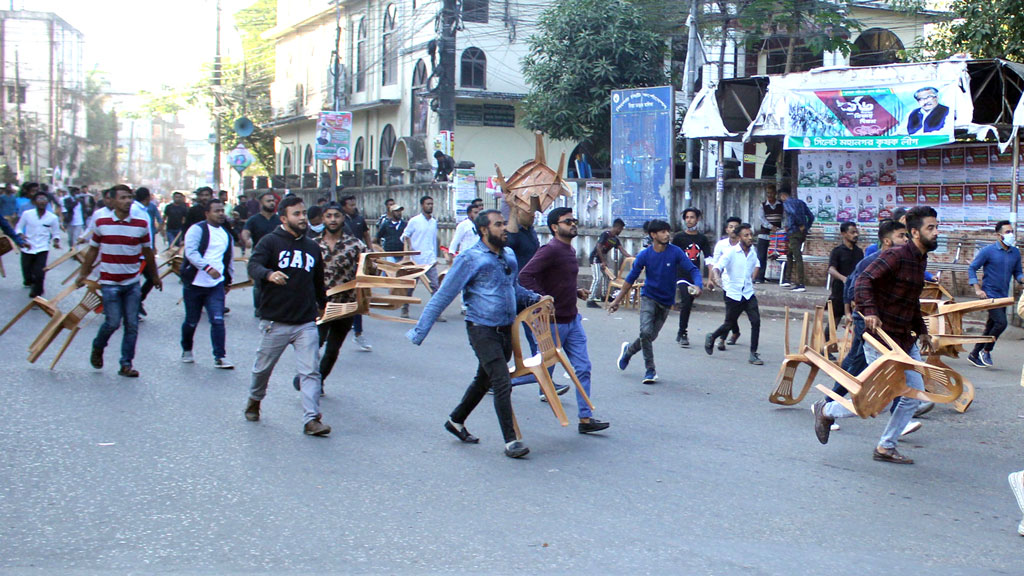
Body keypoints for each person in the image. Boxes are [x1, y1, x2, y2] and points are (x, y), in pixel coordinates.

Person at [407, 209, 541, 458]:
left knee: (484, 379)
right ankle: (512, 441)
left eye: (503, 224)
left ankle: (456, 420)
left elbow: (515, 289)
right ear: (483, 230)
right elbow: (444, 295)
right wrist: (419, 331)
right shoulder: (470, 259)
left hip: (505, 330)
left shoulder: (508, 255)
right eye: (498, 224)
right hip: (481, 329)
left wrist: (535, 298)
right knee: (502, 380)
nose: (504, 229)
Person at [812, 206, 939, 464]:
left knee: (912, 394)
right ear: (915, 232)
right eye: (931, 228)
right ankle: (826, 410)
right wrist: (868, 311)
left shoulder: (920, 259)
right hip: (880, 336)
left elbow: (911, 299)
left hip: (904, 338)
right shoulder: (896, 255)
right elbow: (863, 281)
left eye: (936, 227)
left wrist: (922, 331)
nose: (936, 232)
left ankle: (885, 447)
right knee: (881, 396)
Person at [518, 207, 611, 434]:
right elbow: (524, 276)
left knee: (583, 368)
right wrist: (541, 298)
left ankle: (585, 419)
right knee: (543, 371)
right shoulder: (549, 250)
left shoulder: (568, 250)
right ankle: (499, 382)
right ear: (554, 227)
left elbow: (558, 280)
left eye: (573, 220)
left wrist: (575, 291)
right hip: (553, 323)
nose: (572, 224)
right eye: (567, 221)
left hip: (572, 320)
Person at [244, 195, 330, 436]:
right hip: (275, 320)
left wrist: (323, 305)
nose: (303, 218)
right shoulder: (270, 242)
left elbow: (317, 280)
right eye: (297, 214)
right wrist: (269, 274)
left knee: (310, 371)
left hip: (305, 322)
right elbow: (253, 266)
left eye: (304, 213)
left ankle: (312, 419)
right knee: (263, 369)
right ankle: (254, 399)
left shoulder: (313, 247)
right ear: (284, 218)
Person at [76, 185, 162, 378]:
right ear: (112, 201)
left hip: (131, 282)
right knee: (112, 322)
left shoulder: (140, 224)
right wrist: (83, 273)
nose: (127, 201)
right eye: (122, 198)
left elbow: (148, 252)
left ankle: (126, 364)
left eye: (129, 197)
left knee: (132, 325)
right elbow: (93, 250)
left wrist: (155, 276)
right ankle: (98, 346)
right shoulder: (102, 221)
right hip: (109, 281)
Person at [610, 219, 703, 384]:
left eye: (668, 231)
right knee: (645, 333)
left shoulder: (675, 252)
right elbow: (631, 278)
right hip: (649, 297)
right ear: (653, 235)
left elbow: (693, 269)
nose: (667, 234)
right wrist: (617, 300)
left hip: (666, 301)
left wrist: (698, 285)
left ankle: (628, 352)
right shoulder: (645, 255)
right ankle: (650, 370)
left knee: (649, 336)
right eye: (662, 232)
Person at [297, 201, 363, 395]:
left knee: (333, 349)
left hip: (346, 305)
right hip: (319, 303)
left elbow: (366, 272)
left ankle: (319, 380)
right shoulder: (312, 244)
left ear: (343, 218)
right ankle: (306, 377)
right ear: (323, 219)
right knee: (314, 343)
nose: (333, 220)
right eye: (329, 216)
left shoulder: (355, 245)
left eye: (337, 216)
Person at [179, 197, 235, 368]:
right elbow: (191, 252)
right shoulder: (197, 230)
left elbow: (228, 259)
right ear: (207, 213)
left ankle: (220, 356)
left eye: (222, 211)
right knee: (192, 321)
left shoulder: (225, 234)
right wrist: (207, 268)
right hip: (195, 284)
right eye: (216, 211)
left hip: (215, 285)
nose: (220, 214)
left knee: (217, 320)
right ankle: (187, 349)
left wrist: (228, 280)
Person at [967, 220, 1024, 368]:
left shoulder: (1015, 252)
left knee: (990, 327)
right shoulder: (988, 251)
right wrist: (977, 289)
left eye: (1012, 231)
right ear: (999, 235)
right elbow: (972, 268)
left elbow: (1017, 272)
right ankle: (986, 350)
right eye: (1007, 232)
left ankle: (974, 354)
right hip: (990, 295)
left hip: (1003, 296)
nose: (1011, 235)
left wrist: (1021, 279)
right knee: (1001, 323)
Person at [705, 223, 762, 364]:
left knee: (756, 322)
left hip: (748, 293)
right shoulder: (731, 252)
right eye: (746, 235)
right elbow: (717, 267)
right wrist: (717, 278)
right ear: (739, 238)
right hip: (734, 293)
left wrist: (752, 279)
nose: (750, 238)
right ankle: (712, 336)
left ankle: (753, 354)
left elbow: (756, 265)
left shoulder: (753, 251)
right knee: (729, 323)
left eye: (750, 235)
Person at [671, 208, 711, 347]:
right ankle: (683, 332)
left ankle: (681, 331)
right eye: (687, 217)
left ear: (698, 219)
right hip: (681, 275)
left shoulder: (702, 239)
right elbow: (672, 256)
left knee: (689, 304)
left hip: (694, 275)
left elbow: (709, 259)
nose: (689, 220)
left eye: (692, 217)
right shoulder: (678, 238)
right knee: (686, 301)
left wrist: (711, 277)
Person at [341, 194, 376, 351]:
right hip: (338, 269)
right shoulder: (339, 221)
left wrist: (370, 250)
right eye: (350, 204)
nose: (353, 207)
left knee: (358, 298)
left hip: (356, 262)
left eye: (354, 204)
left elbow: (366, 235)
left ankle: (358, 333)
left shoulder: (359, 219)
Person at [401, 195, 442, 319]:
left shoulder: (434, 222)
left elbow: (433, 241)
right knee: (411, 286)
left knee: (435, 287)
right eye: (427, 204)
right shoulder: (415, 221)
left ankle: (436, 313)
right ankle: (405, 308)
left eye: (431, 204)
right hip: (416, 261)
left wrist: (435, 257)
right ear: (422, 205)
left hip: (430, 260)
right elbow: (404, 236)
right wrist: (409, 246)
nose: (430, 206)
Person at [15, 190, 61, 297]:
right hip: (28, 246)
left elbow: (56, 233)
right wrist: (21, 235)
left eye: (44, 199)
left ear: (47, 202)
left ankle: (37, 294)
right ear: (34, 202)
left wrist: (56, 241)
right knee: (27, 271)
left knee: (40, 273)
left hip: (42, 248)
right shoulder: (27, 214)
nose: (42, 201)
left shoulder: (52, 217)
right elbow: (18, 227)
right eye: (39, 199)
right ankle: (31, 282)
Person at [242, 191, 280, 318]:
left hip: (278, 255)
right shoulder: (254, 219)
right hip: (260, 256)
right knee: (259, 283)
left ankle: (275, 307)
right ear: (261, 203)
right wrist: (247, 240)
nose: (271, 203)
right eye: (268, 201)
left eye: (273, 201)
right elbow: (246, 231)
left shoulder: (279, 219)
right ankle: (259, 308)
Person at [708, 217, 742, 350]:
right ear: (727, 229)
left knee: (732, 311)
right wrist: (711, 279)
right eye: (731, 227)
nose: (733, 229)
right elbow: (715, 263)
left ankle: (722, 338)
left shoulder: (744, 244)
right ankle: (734, 332)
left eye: (736, 227)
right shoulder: (721, 245)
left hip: (741, 284)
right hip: (726, 283)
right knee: (731, 311)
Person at [826, 222, 863, 330]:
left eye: (856, 232)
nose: (856, 235)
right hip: (839, 292)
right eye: (852, 232)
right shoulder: (837, 251)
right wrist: (843, 278)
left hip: (853, 293)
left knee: (857, 325)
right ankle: (825, 345)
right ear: (843, 234)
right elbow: (831, 269)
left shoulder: (859, 252)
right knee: (832, 325)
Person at [586, 218, 630, 307]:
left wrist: (632, 257)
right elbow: (598, 247)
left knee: (606, 277)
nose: (621, 231)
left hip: (602, 260)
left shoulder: (615, 239)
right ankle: (590, 299)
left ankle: (605, 295)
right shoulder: (605, 235)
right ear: (618, 228)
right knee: (597, 278)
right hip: (595, 258)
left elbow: (622, 250)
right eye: (621, 229)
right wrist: (603, 261)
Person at [780, 188, 814, 292]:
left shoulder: (787, 203)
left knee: (797, 256)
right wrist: (806, 227)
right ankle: (787, 279)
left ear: (783, 195)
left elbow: (793, 213)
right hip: (800, 233)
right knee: (789, 254)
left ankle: (800, 284)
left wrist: (801, 225)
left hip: (794, 232)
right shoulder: (801, 202)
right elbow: (811, 216)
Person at [755, 184, 784, 283]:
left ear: (775, 193)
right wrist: (771, 227)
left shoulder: (781, 205)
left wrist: (781, 229)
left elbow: (784, 218)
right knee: (761, 256)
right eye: (768, 193)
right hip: (765, 234)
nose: (770, 195)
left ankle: (781, 278)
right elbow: (762, 219)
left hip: (778, 235)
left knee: (780, 255)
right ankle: (759, 277)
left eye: (771, 193)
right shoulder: (762, 205)